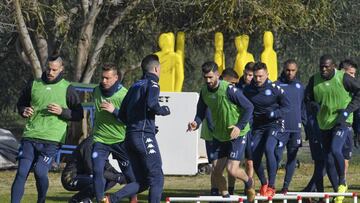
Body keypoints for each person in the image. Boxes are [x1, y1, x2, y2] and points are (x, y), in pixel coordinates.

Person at [11, 55, 84, 203]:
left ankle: (41, 200)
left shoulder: (68, 88)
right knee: (21, 172)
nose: (50, 72)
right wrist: (23, 110)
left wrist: (62, 112)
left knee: (40, 172)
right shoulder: (34, 84)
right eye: (48, 68)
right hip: (30, 135)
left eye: (54, 70)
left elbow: (79, 114)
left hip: (52, 140)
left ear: (61, 69)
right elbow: (21, 104)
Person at [187, 61, 256, 202]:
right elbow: (201, 111)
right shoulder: (204, 91)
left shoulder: (229, 89)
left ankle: (249, 183)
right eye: (205, 77)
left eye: (211, 77)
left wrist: (239, 126)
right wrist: (195, 122)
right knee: (217, 171)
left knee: (232, 170)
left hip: (237, 133)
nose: (208, 81)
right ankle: (226, 198)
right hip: (219, 134)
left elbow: (249, 107)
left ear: (218, 75)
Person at [305, 55, 360, 203]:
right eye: (321, 66)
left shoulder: (343, 78)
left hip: (342, 121)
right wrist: (312, 105)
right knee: (328, 160)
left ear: (333, 66)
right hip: (324, 123)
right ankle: (338, 193)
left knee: (336, 149)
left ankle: (343, 181)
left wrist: (348, 111)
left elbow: (358, 93)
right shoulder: (314, 80)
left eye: (327, 66)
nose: (323, 69)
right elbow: (307, 98)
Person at [118, 54, 171, 203]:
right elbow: (152, 104)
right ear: (156, 68)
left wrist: (138, 125)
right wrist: (164, 110)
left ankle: (111, 199)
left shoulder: (134, 86)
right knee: (157, 176)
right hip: (143, 136)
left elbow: (121, 115)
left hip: (129, 137)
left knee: (144, 181)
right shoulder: (152, 84)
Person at [90, 64, 138, 203]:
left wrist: (115, 111)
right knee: (97, 170)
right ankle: (100, 200)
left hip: (120, 140)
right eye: (102, 77)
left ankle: (133, 200)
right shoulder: (96, 91)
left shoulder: (124, 95)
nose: (104, 81)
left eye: (107, 78)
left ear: (116, 78)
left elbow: (131, 120)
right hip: (100, 140)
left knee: (130, 175)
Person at [243, 62, 290, 197]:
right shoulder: (248, 90)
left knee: (269, 149)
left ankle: (272, 185)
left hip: (274, 124)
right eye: (255, 76)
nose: (257, 79)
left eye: (261, 76)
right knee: (254, 156)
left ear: (267, 75)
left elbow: (287, 107)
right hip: (257, 127)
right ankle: (264, 183)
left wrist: (274, 114)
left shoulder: (275, 88)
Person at [61, 136, 127, 203]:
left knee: (111, 180)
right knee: (100, 179)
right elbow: (92, 170)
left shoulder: (102, 143)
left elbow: (107, 165)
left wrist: (119, 175)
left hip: (85, 175)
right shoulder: (89, 144)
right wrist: (118, 177)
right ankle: (76, 199)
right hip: (70, 178)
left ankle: (85, 199)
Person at [274, 59, 307, 193]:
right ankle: (270, 184)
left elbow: (303, 107)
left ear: (296, 70)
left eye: (293, 70)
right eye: (288, 70)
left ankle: (286, 187)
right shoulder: (276, 85)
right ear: (283, 69)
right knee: (276, 156)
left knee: (292, 157)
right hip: (280, 128)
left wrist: (306, 126)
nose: (290, 73)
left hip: (295, 129)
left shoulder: (300, 86)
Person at [338, 59, 358, 177]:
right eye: (351, 74)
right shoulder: (336, 85)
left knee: (346, 157)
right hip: (336, 124)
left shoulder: (354, 89)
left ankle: (342, 182)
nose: (353, 77)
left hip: (349, 124)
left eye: (354, 74)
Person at [236, 62, 255, 180]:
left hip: (252, 127)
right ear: (243, 72)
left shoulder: (257, 87)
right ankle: (231, 189)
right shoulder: (236, 87)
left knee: (250, 161)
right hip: (238, 126)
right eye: (246, 74)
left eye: (251, 75)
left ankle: (249, 187)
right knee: (234, 162)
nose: (248, 78)